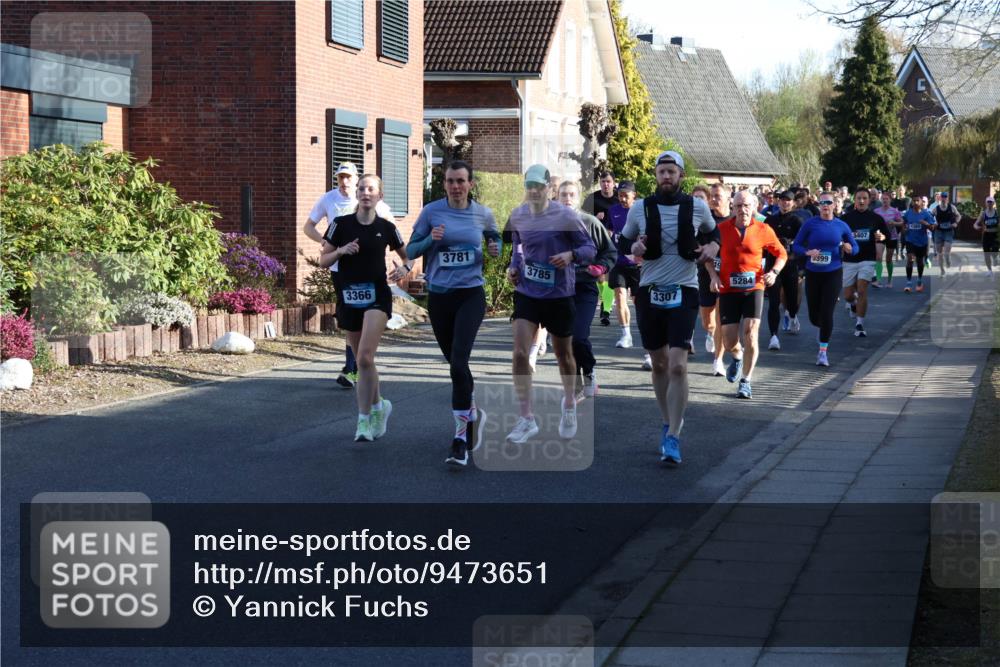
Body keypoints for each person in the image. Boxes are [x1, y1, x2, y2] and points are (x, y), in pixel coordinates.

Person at [621, 150, 718, 466]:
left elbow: (713, 234)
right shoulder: (640, 208)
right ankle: (667, 421)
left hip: (685, 290)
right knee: (660, 364)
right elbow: (623, 243)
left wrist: (712, 247)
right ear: (656, 175)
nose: (666, 176)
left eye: (671, 172)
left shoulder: (697, 206)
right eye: (661, 171)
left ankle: (674, 435)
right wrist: (633, 248)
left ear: (680, 175)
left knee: (678, 365)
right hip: (650, 292)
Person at [406, 161, 501, 466]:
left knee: (458, 362)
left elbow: (494, 237)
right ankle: (472, 413)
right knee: (455, 365)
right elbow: (409, 251)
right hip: (440, 298)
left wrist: (495, 246)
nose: (455, 186)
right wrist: (429, 239)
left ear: (470, 184)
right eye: (450, 181)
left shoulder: (482, 213)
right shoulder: (432, 212)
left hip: (470, 295)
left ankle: (459, 438)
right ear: (443, 183)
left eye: (461, 181)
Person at [505, 165, 597, 444]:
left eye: (539, 186)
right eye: (529, 186)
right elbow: (518, 248)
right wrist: (513, 267)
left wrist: (571, 255)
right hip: (527, 292)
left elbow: (589, 249)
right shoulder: (518, 215)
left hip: (559, 294)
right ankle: (526, 418)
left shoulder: (566, 216)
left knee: (563, 356)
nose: (534, 190)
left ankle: (569, 403)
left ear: (549, 188)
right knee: (520, 353)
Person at [319, 175, 411, 441]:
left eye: (371, 189)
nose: (365, 192)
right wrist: (341, 251)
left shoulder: (387, 227)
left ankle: (363, 421)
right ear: (357, 194)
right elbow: (323, 260)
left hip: (377, 296)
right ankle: (379, 405)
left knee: (365, 358)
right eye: (361, 188)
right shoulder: (340, 225)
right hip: (349, 296)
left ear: (379, 195)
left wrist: (403, 270)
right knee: (363, 360)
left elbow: (408, 259)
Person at [305, 162, 395, 389]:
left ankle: (355, 366)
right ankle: (353, 366)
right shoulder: (329, 199)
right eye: (339, 178)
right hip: (341, 271)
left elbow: (392, 232)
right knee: (351, 319)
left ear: (357, 180)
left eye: (348, 177)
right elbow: (309, 227)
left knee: (365, 320)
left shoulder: (373, 203)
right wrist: (326, 243)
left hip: (370, 274)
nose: (343, 182)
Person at [711, 191, 786, 399]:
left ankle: (746, 381)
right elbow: (708, 255)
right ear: (732, 208)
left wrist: (774, 272)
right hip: (728, 290)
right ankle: (736, 356)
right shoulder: (722, 229)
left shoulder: (763, 229)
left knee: (751, 332)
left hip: (754, 287)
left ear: (754, 206)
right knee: (728, 341)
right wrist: (713, 276)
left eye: (746, 205)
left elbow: (781, 253)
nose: (742, 210)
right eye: (738, 206)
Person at [558, 180, 618, 400]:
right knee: (565, 340)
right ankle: (574, 387)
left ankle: (590, 370)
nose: (567, 199)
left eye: (572, 194)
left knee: (579, 337)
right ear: (556, 197)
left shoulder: (590, 222)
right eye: (563, 194)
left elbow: (610, 252)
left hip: (584, 286)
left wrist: (600, 267)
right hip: (558, 290)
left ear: (578, 197)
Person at [792, 192, 859, 367]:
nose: (825, 206)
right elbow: (796, 245)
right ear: (819, 205)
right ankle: (822, 330)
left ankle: (823, 352)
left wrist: (850, 247)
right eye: (822, 203)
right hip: (813, 273)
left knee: (827, 312)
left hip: (833, 273)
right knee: (814, 315)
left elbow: (855, 247)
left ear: (834, 205)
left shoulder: (841, 225)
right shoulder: (810, 224)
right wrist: (807, 252)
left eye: (828, 202)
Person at [840, 187, 889, 337]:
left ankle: (859, 324)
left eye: (864, 198)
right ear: (854, 200)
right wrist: (843, 244)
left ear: (869, 200)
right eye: (858, 198)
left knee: (862, 289)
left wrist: (882, 238)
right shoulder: (846, 218)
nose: (861, 201)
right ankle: (853, 304)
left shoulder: (876, 218)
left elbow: (886, 235)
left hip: (867, 259)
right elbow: (838, 236)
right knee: (848, 295)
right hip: (849, 260)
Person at [763, 189, 803, 350]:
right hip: (773, 265)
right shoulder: (770, 220)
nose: (785, 203)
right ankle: (774, 336)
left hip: (790, 264)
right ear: (778, 202)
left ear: (793, 203)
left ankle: (792, 315)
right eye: (782, 200)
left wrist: (791, 243)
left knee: (791, 300)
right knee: (773, 301)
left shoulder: (797, 220)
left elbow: (802, 242)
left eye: (788, 200)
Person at [702, 182, 732, 376]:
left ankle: (718, 360)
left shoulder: (736, 220)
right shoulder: (707, 222)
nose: (713, 199)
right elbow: (704, 253)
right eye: (711, 196)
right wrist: (713, 275)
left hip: (729, 276)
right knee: (707, 319)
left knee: (722, 315)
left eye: (717, 196)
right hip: (707, 270)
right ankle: (710, 332)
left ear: (728, 198)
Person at [607, 181, 640, 349]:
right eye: (620, 195)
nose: (622, 199)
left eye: (625, 195)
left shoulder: (641, 211)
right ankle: (625, 335)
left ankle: (645, 334)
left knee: (638, 301)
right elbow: (610, 231)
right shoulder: (613, 211)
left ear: (634, 195)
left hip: (637, 264)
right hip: (618, 261)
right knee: (619, 295)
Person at [584, 171, 620, 324]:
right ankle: (605, 301)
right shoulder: (592, 198)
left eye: (609, 181)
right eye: (603, 181)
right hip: (596, 242)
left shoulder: (619, 198)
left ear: (613, 183)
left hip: (614, 242)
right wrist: (594, 218)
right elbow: (581, 217)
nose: (606, 184)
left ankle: (605, 309)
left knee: (608, 275)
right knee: (600, 278)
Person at [902, 197, 935, 292]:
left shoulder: (926, 214)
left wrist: (926, 223)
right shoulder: (908, 213)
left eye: (918, 201)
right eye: (914, 201)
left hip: (922, 242)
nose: (916, 202)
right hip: (910, 240)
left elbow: (933, 227)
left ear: (921, 203)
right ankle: (908, 283)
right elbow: (903, 223)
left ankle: (919, 279)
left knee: (920, 262)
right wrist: (904, 229)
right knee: (910, 259)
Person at [874, 191, 903, 287]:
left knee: (888, 259)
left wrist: (894, 223)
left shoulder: (895, 211)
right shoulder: (876, 211)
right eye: (883, 199)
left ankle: (890, 280)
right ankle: (878, 280)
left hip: (892, 236)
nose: (885, 200)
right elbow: (873, 224)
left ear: (890, 200)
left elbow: (901, 222)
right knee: (878, 257)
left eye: (887, 199)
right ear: (881, 200)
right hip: (880, 236)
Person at [931, 191, 960, 276]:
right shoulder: (936, 208)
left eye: (945, 197)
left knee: (947, 252)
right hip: (938, 232)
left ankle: (947, 260)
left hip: (948, 232)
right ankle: (942, 270)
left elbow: (958, 216)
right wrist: (933, 223)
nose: (944, 199)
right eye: (942, 197)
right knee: (940, 253)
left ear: (947, 198)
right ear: (940, 198)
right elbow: (929, 217)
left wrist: (956, 223)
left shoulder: (952, 207)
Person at [973, 196, 998, 278]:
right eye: (988, 202)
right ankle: (989, 270)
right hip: (986, 235)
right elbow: (976, 223)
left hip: (995, 235)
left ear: (993, 203)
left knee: (994, 251)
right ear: (986, 203)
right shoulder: (983, 213)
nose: (989, 203)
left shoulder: (997, 213)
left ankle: (995, 258)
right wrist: (976, 226)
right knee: (986, 254)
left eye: (991, 202)